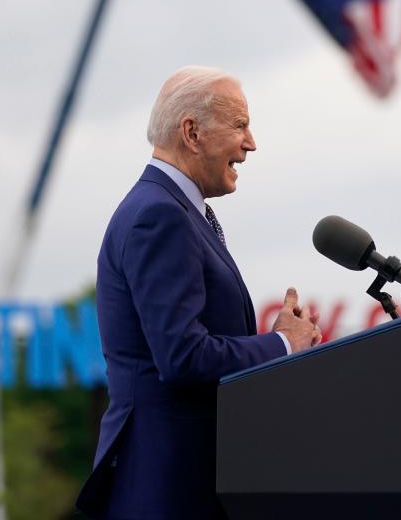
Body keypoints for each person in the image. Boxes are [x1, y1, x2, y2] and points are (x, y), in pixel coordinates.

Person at [76, 66, 321, 519]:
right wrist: (283, 344)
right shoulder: (160, 216)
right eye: (240, 125)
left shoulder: (173, 210)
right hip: (167, 487)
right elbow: (183, 356)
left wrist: (269, 344)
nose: (251, 143)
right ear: (192, 132)